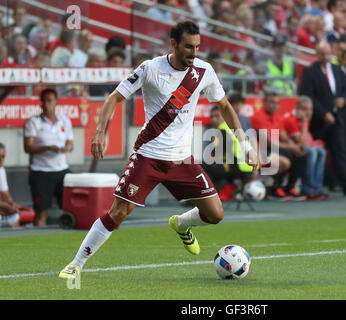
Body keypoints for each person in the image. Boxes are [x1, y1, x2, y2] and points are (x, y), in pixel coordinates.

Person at [58, 20, 259, 280]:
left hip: (182, 161)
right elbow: (114, 98)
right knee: (118, 212)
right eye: (188, 47)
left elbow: (225, 107)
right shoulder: (150, 68)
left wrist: (245, 145)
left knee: (216, 214)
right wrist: (100, 131)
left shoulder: (203, 71)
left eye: (197, 47)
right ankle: (76, 264)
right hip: (149, 157)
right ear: (173, 44)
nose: (193, 53)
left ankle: (182, 224)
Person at [300, 42, 346, 196]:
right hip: (318, 121)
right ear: (317, 54)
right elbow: (309, 96)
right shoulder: (310, 71)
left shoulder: (336, 69)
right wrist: (323, 113)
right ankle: (314, 186)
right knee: (317, 151)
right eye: (322, 54)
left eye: (328, 54)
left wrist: (343, 100)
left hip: (337, 118)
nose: (325, 57)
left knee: (341, 151)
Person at [23, 88, 74, 226]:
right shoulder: (33, 122)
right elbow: (27, 147)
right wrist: (48, 147)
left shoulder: (64, 120)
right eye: (43, 101)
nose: (46, 104)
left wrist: (66, 148)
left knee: (71, 209)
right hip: (41, 172)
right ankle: (37, 242)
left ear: (56, 102)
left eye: (49, 101)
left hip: (62, 170)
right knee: (41, 213)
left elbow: (70, 143)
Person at [250, 92, 306, 201]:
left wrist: (295, 147)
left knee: (301, 155)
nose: (274, 105)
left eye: (277, 103)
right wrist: (291, 147)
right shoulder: (258, 116)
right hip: (262, 150)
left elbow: (284, 136)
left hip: (274, 148)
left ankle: (289, 188)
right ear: (264, 103)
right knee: (288, 154)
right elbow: (268, 141)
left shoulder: (277, 117)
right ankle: (275, 189)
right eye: (271, 102)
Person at [203, 107, 256, 201]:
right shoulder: (231, 127)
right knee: (214, 167)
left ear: (224, 117)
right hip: (248, 168)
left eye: (217, 116)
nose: (214, 119)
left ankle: (207, 197)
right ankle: (221, 192)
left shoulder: (223, 129)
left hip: (239, 167)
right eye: (212, 117)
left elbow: (217, 155)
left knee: (204, 165)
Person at [282, 96, 329, 200]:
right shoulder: (291, 119)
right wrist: (304, 123)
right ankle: (307, 189)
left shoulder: (304, 120)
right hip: (288, 149)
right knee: (311, 152)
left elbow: (306, 141)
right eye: (305, 109)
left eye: (310, 109)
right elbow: (302, 143)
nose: (308, 112)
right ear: (297, 108)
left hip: (299, 148)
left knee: (321, 151)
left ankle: (317, 188)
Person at [0, 143, 20, 228]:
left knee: (15, 216)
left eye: (3, 156)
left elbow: (6, 195)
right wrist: (6, 206)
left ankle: (17, 239)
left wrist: (12, 205)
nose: (1, 160)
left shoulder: (1, 170)